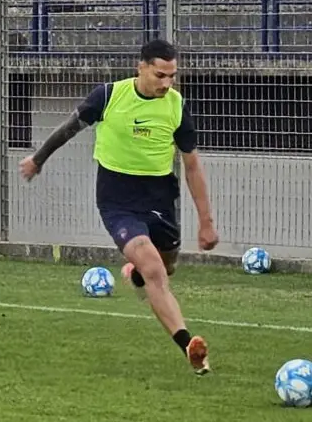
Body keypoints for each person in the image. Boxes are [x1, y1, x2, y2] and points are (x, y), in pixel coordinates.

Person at [19, 38, 217, 376]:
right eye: (160, 75)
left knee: (165, 267)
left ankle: (136, 276)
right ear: (140, 67)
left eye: (172, 76)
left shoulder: (176, 106)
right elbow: (69, 128)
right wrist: (38, 160)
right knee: (154, 268)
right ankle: (189, 346)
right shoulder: (109, 96)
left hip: (159, 198)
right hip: (117, 199)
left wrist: (206, 221)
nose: (167, 83)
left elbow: (193, 165)